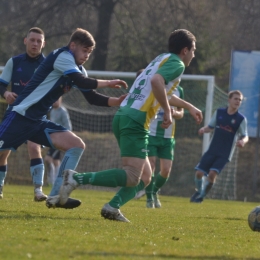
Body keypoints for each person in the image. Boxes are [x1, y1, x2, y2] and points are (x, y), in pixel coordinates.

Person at [59, 29, 203, 222]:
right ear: (185, 50)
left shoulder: (162, 58)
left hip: (125, 115)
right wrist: (168, 111)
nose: (194, 55)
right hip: (137, 119)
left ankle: (112, 207)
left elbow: (160, 89)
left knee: (145, 176)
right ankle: (76, 179)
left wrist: (189, 106)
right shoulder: (177, 64)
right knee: (133, 175)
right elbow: (156, 82)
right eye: (194, 50)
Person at [0, 28, 128, 209]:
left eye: (89, 52)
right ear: (73, 45)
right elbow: (83, 81)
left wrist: (118, 101)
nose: (86, 55)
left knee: (76, 145)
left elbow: (91, 97)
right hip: (20, 115)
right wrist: (108, 82)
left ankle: (56, 195)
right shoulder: (62, 56)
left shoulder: (76, 68)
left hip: (38, 121)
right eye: (84, 50)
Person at [0, 27, 47, 201]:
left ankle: (38, 191)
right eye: (32, 40)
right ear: (25, 41)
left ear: (44, 44)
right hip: (14, 113)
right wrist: (6, 93)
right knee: (3, 152)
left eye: (39, 41)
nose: (35, 44)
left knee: (34, 148)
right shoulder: (14, 61)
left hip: (35, 114)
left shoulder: (48, 64)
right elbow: (1, 84)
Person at [190, 90, 248, 203]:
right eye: (235, 99)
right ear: (229, 100)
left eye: (240, 100)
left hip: (225, 153)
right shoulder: (220, 112)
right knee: (199, 174)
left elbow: (245, 136)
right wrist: (203, 129)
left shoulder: (241, 119)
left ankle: (201, 196)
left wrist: (242, 142)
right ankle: (199, 191)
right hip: (212, 149)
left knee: (212, 174)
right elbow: (210, 127)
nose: (238, 101)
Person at [145, 84, 184, 208]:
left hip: (168, 137)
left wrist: (175, 113)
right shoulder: (154, 85)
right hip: (151, 134)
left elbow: (181, 112)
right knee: (150, 166)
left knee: (166, 170)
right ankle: (149, 198)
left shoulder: (179, 90)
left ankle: (155, 190)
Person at [44, 97, 72, 186]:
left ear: (61, 100)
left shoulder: (63, 111)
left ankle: (51, 181)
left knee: (48, 159)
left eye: (57, 99)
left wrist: (64, 137)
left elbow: (68, 127)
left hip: (60, 139)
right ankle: (58, 181)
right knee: (56, 160)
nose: (55, 101)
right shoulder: (52, 111)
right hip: (53, 139)